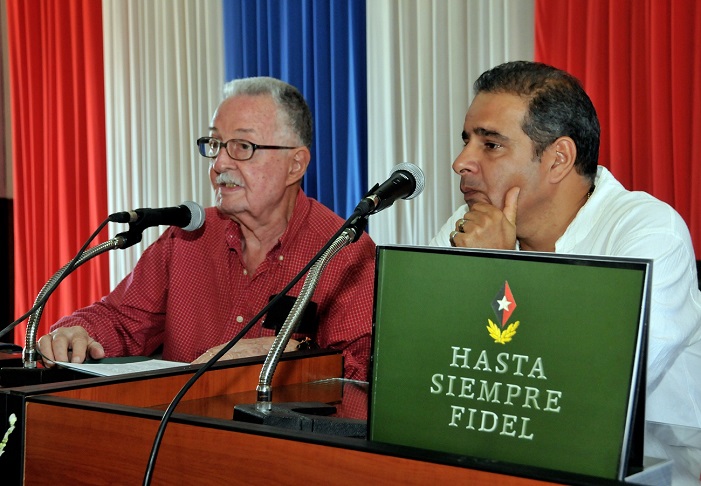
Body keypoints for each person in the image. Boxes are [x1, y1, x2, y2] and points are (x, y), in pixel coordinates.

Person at [430, 61, 701, 484]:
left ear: (558, 159)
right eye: (467, 141)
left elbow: (593, 391)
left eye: (491, 145)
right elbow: (435, 364)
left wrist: (498, 270)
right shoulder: (466, 226)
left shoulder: (647, 231)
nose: (461, 162)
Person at [37, 77, 376, 381]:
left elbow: (364, 376)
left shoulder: (345, 252)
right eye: (215, 145)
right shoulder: (186, 237)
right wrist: (76, 333)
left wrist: (289, 355)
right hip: (178, 437)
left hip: (283, 446)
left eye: (243, 147)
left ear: (296, 165)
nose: (219, 165)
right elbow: (122, 321)